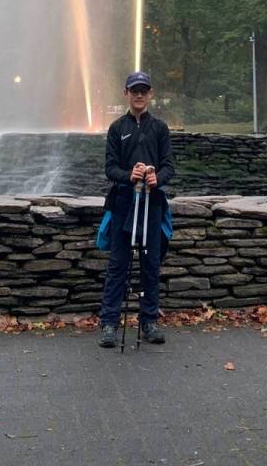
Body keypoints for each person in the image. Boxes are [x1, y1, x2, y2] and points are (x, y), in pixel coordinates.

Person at [97, 70, 174, 348]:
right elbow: (110, 168)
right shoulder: (117, 128)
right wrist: (129, 175)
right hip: (123, 204)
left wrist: (157, 178)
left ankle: (149, 320)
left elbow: (169, 167)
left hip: (152, 203)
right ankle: (109, 323)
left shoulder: (160, 128)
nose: (139, 95)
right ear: (126, 94)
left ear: (150, 94)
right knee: (118, 264)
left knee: (150, 264)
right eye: (134, 90)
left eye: (143, 90)